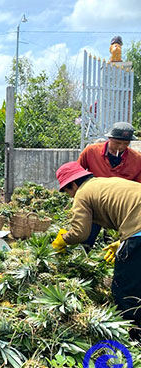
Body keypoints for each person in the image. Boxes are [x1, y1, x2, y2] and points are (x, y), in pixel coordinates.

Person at [51, 161, 141, 338]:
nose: (70, 196)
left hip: (138, 231)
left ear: (74, 185)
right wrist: (122, 242)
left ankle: (134, 337)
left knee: (124, 289)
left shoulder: (82, 193)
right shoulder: (104, 183)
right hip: (136, 230)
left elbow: (80, 233)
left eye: (68, 191)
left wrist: (63, 239)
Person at [77, 122, 141, 248]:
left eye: (125, 144)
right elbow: (77, 173)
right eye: (117, 143)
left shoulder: (137, 160)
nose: (121, 147)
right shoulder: (91, 152)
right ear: (109, 138)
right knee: (85, 240)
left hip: (118, 209)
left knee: (116, 244)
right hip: (94, 204)